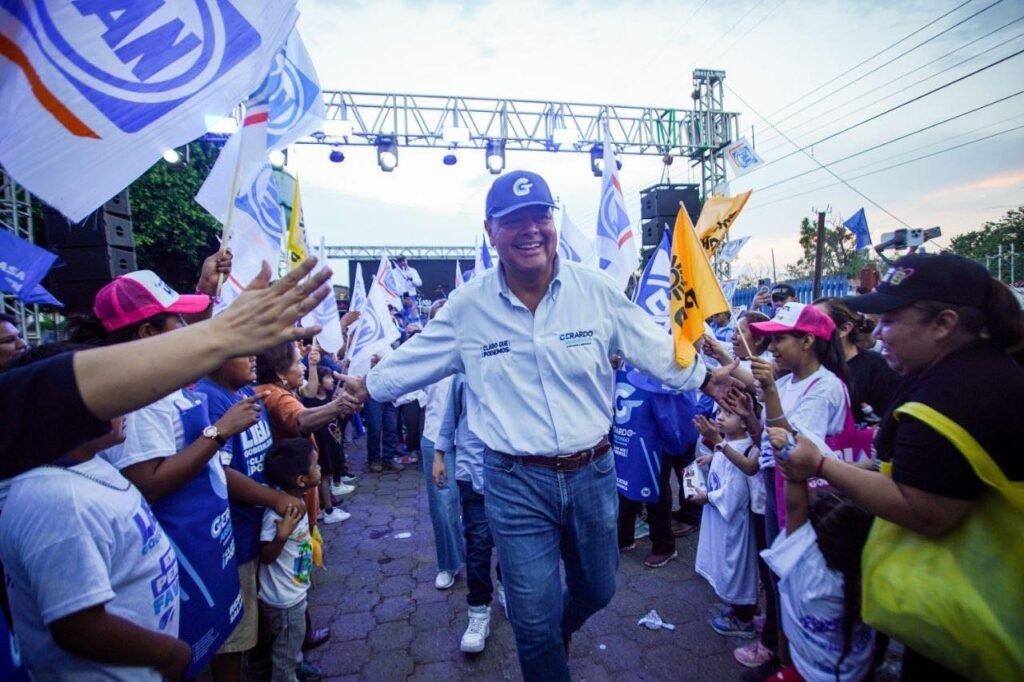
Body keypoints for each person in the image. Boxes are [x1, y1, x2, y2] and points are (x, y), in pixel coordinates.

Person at [344, 170, 741, 681]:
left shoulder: (594, 291)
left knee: (599, 589)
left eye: (540, 217)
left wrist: (707, 378)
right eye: (514, 221)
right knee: (531, 621)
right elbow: (413, 359)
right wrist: (365, 387)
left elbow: (649, 344)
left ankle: (562, 629)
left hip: (593, 473)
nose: (531, 230)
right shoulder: (469, 308)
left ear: (552, 222)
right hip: (514, 483)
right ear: (491, 230)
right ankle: (547, 646)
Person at [779, 253, 1024, 680]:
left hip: (974, 630)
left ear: (944, 323)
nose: (879, 332)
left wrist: (820, 464)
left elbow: (924, 511)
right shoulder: (968, 371)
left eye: (891, 320)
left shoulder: (954, 397)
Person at [0, 258, 338, 473]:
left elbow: (178, 342)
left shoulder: (158, 380)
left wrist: (206, 290)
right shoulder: (131, 399)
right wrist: (218, 432)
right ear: (147, 332)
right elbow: (149, 482)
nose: (186, 325)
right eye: (177, 317)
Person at [0, 369, 187, 680]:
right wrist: (172, 653)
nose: (128, 405)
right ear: (69, 406)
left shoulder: (86, 465)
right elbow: (79, 627)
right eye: (111, 394)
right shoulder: (58, 502)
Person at [194, 355, 299, 682]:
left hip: (258, 529)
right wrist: (276, 498)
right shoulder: (209, 399)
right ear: (217, 357)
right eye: (242, 350)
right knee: (235, 633)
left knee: (259, 617)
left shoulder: (244, 393)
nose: (254, 356)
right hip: (234, 534)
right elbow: (219, 471)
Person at [763, 427, 876, 682]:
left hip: (803, 673)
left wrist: (790, 453)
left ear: (810, 535)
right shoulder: (871, 572)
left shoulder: (803, 562)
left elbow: (794, 506)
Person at [433, 372, 505, 654]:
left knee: (511, 542)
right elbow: (450, 416)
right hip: (472, 469)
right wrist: (439, 455)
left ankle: (505, 586)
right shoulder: (464, 371)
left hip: (513, 472)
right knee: (477, 542)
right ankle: (478, 612)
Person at [256, 340, 359, 526]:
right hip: (293, 491)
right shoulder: (276, 396)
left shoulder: (278, 390)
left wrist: (312, 365)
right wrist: (337, 406)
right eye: (297, 363)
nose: (301, 368)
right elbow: (301, 420)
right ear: (280, 373)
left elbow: (309, 391)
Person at [691, 406, 760, 639]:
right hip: (720, 520)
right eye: (719, 411)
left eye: (728, 413)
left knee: (737, 566)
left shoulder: (745, 449)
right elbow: (725, 454)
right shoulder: (730, 443)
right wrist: (713, 456)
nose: (719, 416)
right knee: (724, 559)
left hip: (734, 524)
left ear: (745, 422)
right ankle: (738, 609)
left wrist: (708, 497)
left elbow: (736, 494)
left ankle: (744, 618)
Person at [259, 439, 319, 682]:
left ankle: (297, 666)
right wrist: (282, 535)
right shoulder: (279, 512)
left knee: (293, 641)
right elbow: (266, 554)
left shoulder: (297, 501)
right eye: (315, 466)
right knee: (285, 651)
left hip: (294, 591)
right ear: (301, 480)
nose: (320, 469)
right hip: (283, 601)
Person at [419, 301, 463, 590]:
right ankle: (449, 563)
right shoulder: (423, 357)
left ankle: (501, 575)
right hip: (437, 441)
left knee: (486, 510)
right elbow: (401, 389)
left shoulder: (475, 351)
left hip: (477, 441)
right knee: (444, 505)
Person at [814, 297, 901, 423]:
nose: (806, 328)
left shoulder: (878, 367)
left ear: (844, 329)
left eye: (816, 322)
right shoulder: (807, 366)